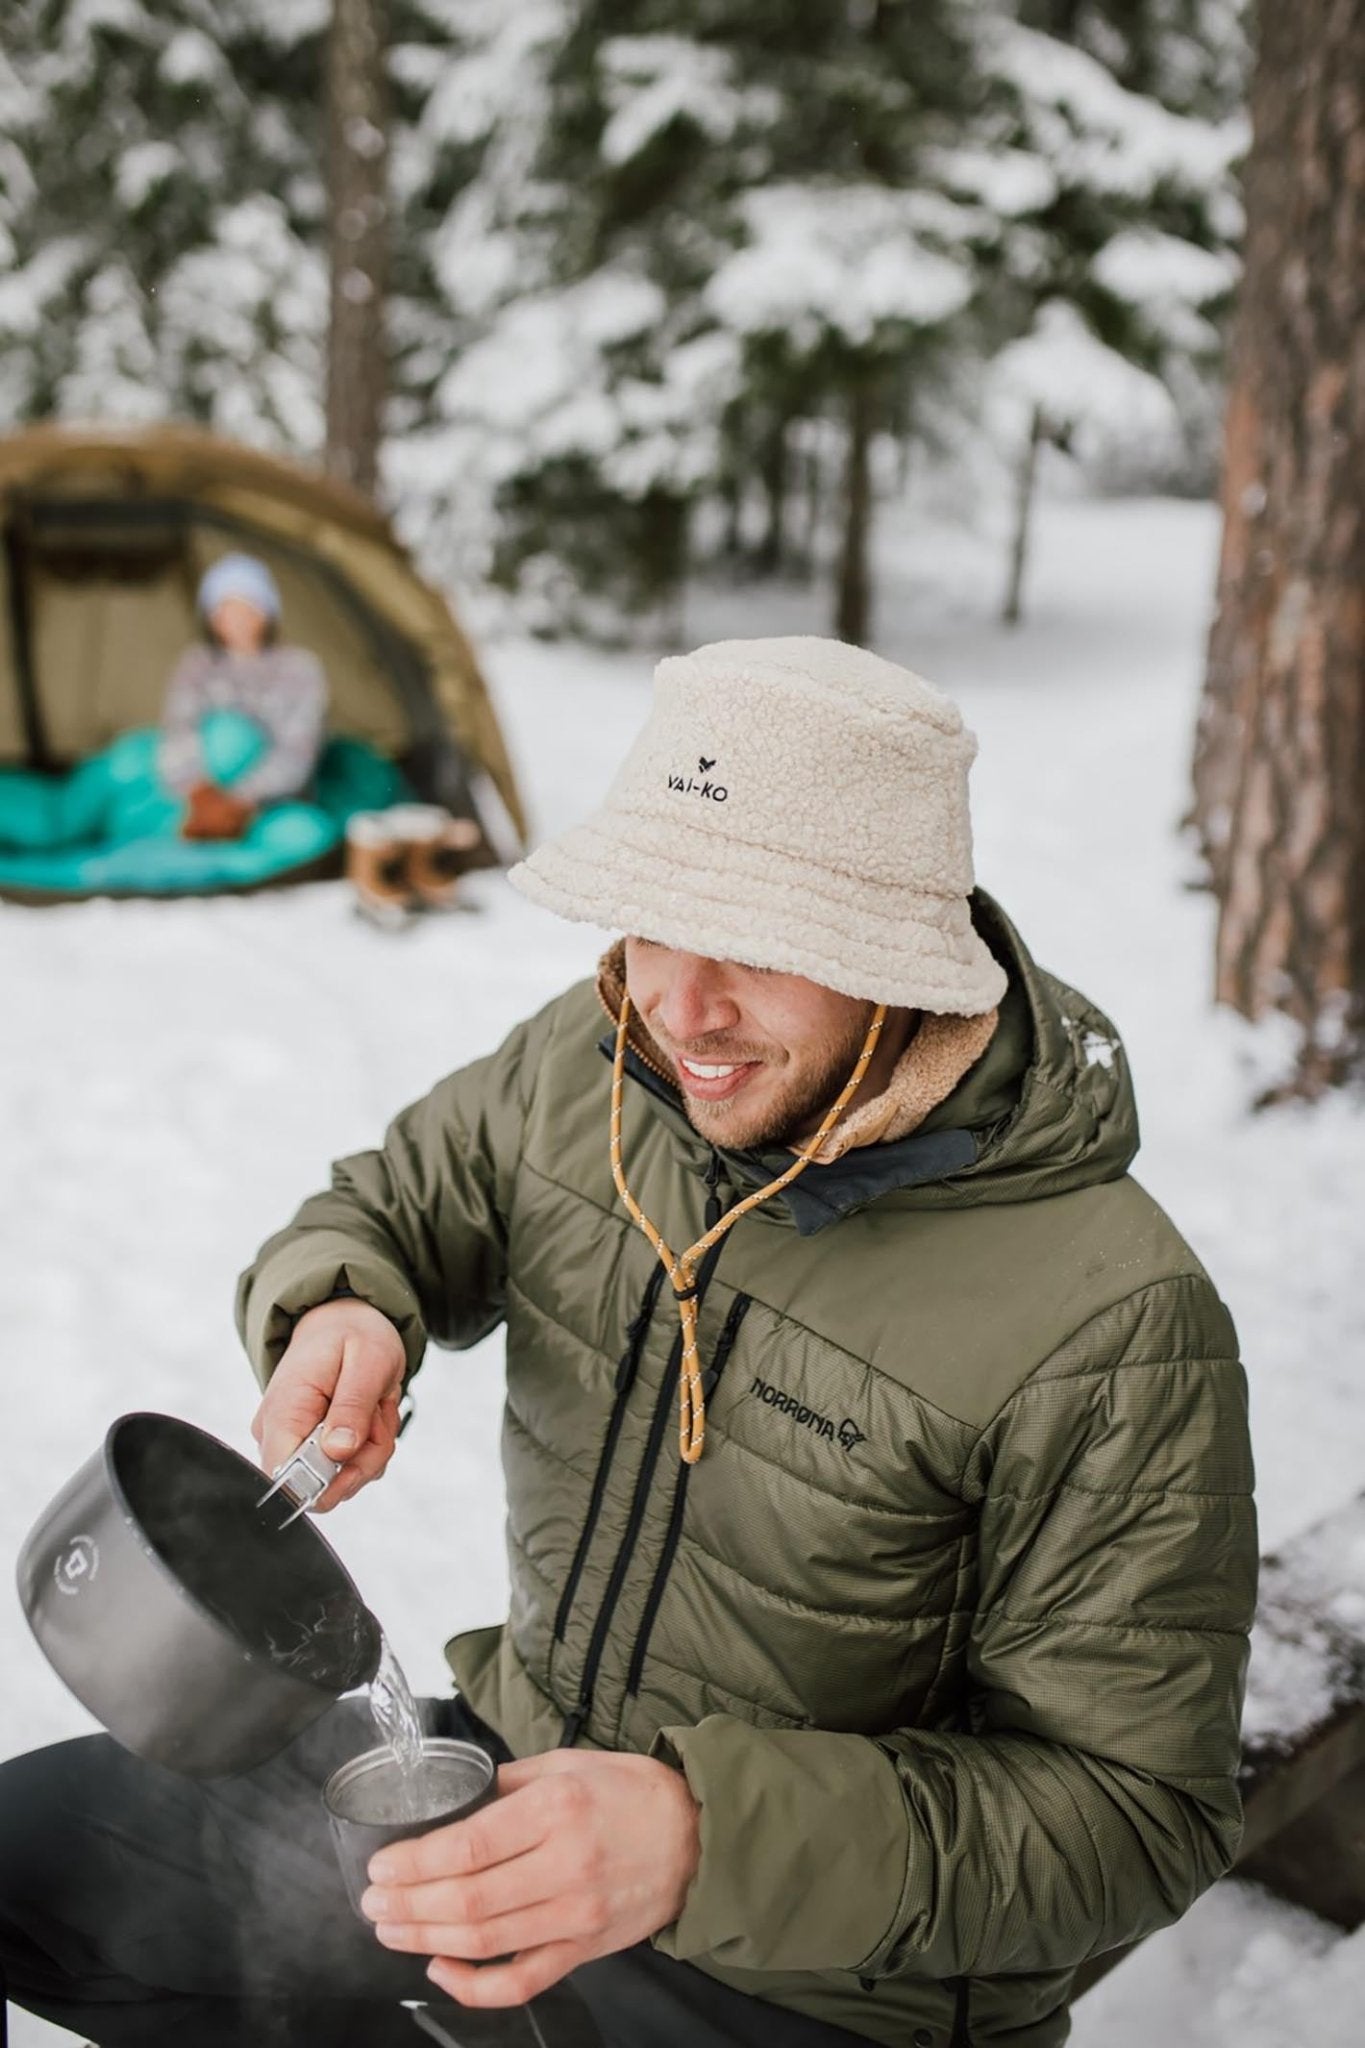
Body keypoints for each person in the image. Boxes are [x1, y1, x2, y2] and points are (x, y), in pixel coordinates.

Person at [0, 637, 1257, 2048]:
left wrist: (696, 1838)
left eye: (760, 944)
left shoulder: (1113, 1321)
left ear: (905, 953)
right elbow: (399, 1199)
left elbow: (1135, 1815)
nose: (682, 1006)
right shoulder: (596, 1065)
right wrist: (344, 1298)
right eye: (653, 920)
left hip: (816, 1984)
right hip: (509, 1776)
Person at [160, 553, 328, 841]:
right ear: (213, 618)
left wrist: (240, 802)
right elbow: (177, 728)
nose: (237, 620)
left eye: (247, 608)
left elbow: (298, 750)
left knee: (304, 835)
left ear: (266, 614)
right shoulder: (197, 665)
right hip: (197, 797)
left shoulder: (299, 669)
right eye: (226, 609)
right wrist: (200, 795)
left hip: (270, 802)